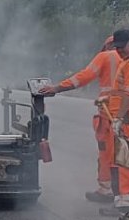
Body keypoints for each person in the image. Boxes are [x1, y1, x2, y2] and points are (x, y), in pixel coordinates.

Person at [37, 35, 121, 202]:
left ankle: (111, 192)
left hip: (109, 113)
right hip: (127, 114)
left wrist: (57, 88)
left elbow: (83, 77)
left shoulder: (106, 56)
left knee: (109, 154)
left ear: (108, 44)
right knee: (127, 155)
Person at [99, 29, 129, 215]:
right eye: (116, 48)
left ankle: (126, 203)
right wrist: (108, 101)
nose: (119, 51)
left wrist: (119, 117)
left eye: (122, 47)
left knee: (125, 161)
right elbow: (122, 92)